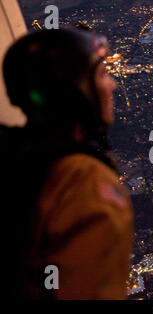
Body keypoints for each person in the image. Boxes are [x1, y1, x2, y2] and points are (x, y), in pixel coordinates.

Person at [1, 28, 134, 299]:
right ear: (76, 92)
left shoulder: (17, 156)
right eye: (101, 74)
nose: (112, 85)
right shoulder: (84, 181)